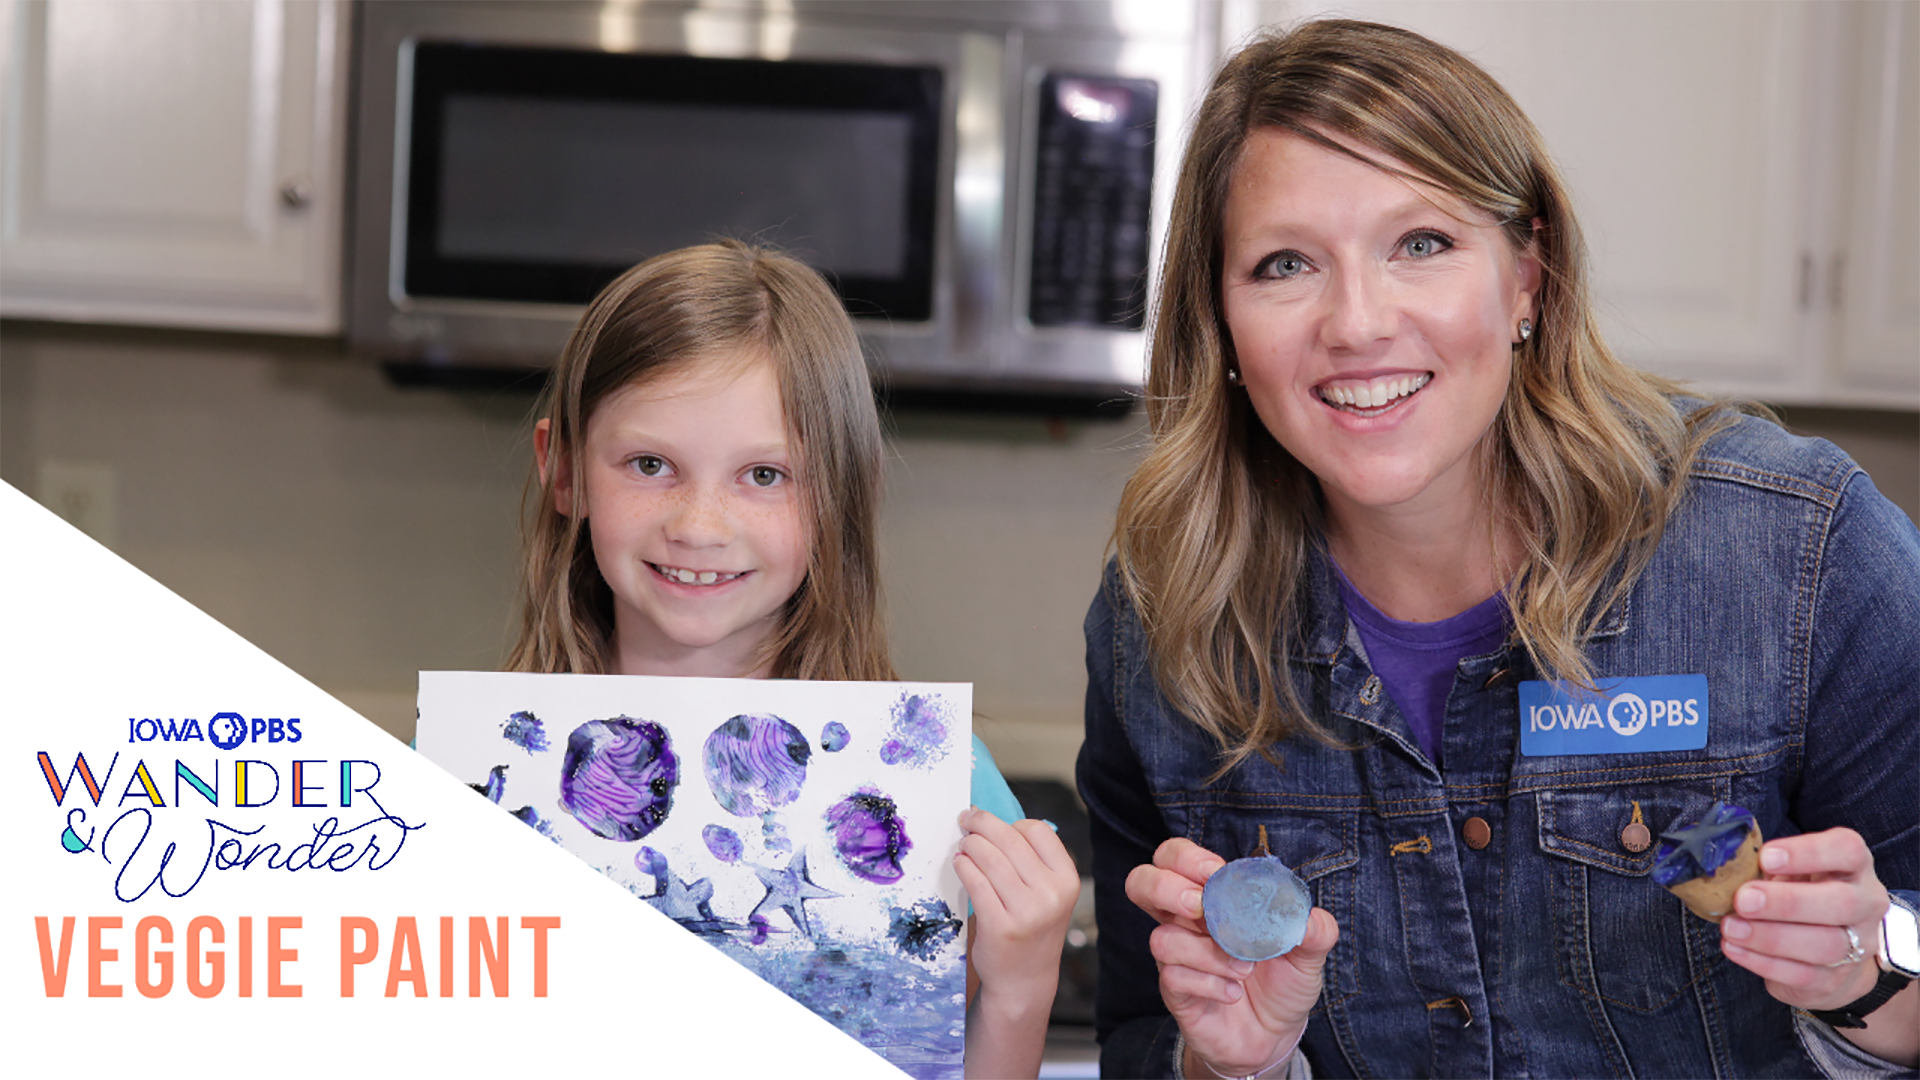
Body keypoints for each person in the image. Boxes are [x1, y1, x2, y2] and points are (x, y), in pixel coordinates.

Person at [1078, 21, 1920, 1080]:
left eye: (1421, 244)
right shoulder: (1162, 620)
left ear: (1527, 275)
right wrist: (1237, 1064)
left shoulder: (1802, 550)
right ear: (1221, 321)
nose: (1357, 323)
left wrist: (1871, 973)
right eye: (1285, 264)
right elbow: (1142, 1041)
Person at [506, 240, 1081, 1080]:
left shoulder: (952, 802)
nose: (699, 525)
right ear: (563, 471)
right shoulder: (447, 783)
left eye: (766, 475)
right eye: (651, 465)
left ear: (844, 492)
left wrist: (1022, 989)